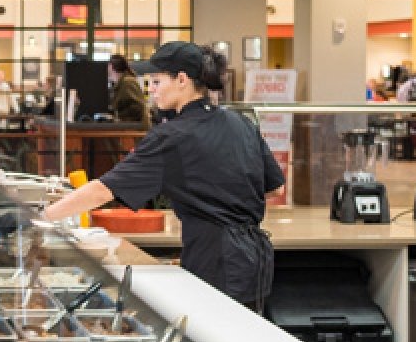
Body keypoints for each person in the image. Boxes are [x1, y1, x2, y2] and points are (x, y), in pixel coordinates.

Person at [43, 42, 284, 311]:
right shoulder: (241, 122)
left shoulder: (172, 137)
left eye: (157, 81)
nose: (152, 90)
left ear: (182, 80)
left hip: (215, 261)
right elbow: (274, 188)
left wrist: (40, 218)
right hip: (255, 262)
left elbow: (103, 190)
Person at [108, 54, 150, 127]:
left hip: (136, 129)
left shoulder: (128, 82)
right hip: (131, 126)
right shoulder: (121, 83)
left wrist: (117, 116)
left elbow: (137, 108)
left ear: (111, 67)